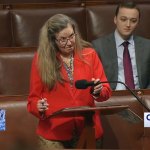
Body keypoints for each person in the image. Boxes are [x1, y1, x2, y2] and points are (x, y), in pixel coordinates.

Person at [27, 14, 111, 149]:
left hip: (88, 130)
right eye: (63, 39)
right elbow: (33, 100)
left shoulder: (90, 55)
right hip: (54, 135)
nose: (70, 42)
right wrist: (38, 106)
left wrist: (99, 91)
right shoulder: (40, 60)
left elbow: (106, 90)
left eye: (72, 36)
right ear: (52, 40)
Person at [92, 1, 150, 90]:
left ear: (138, 23)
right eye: (123, 19)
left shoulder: (147, 46)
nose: (128, 25)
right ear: (115, 19)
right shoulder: (98, 46)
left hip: (142, 97)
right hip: (113, 97)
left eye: (133, 21)